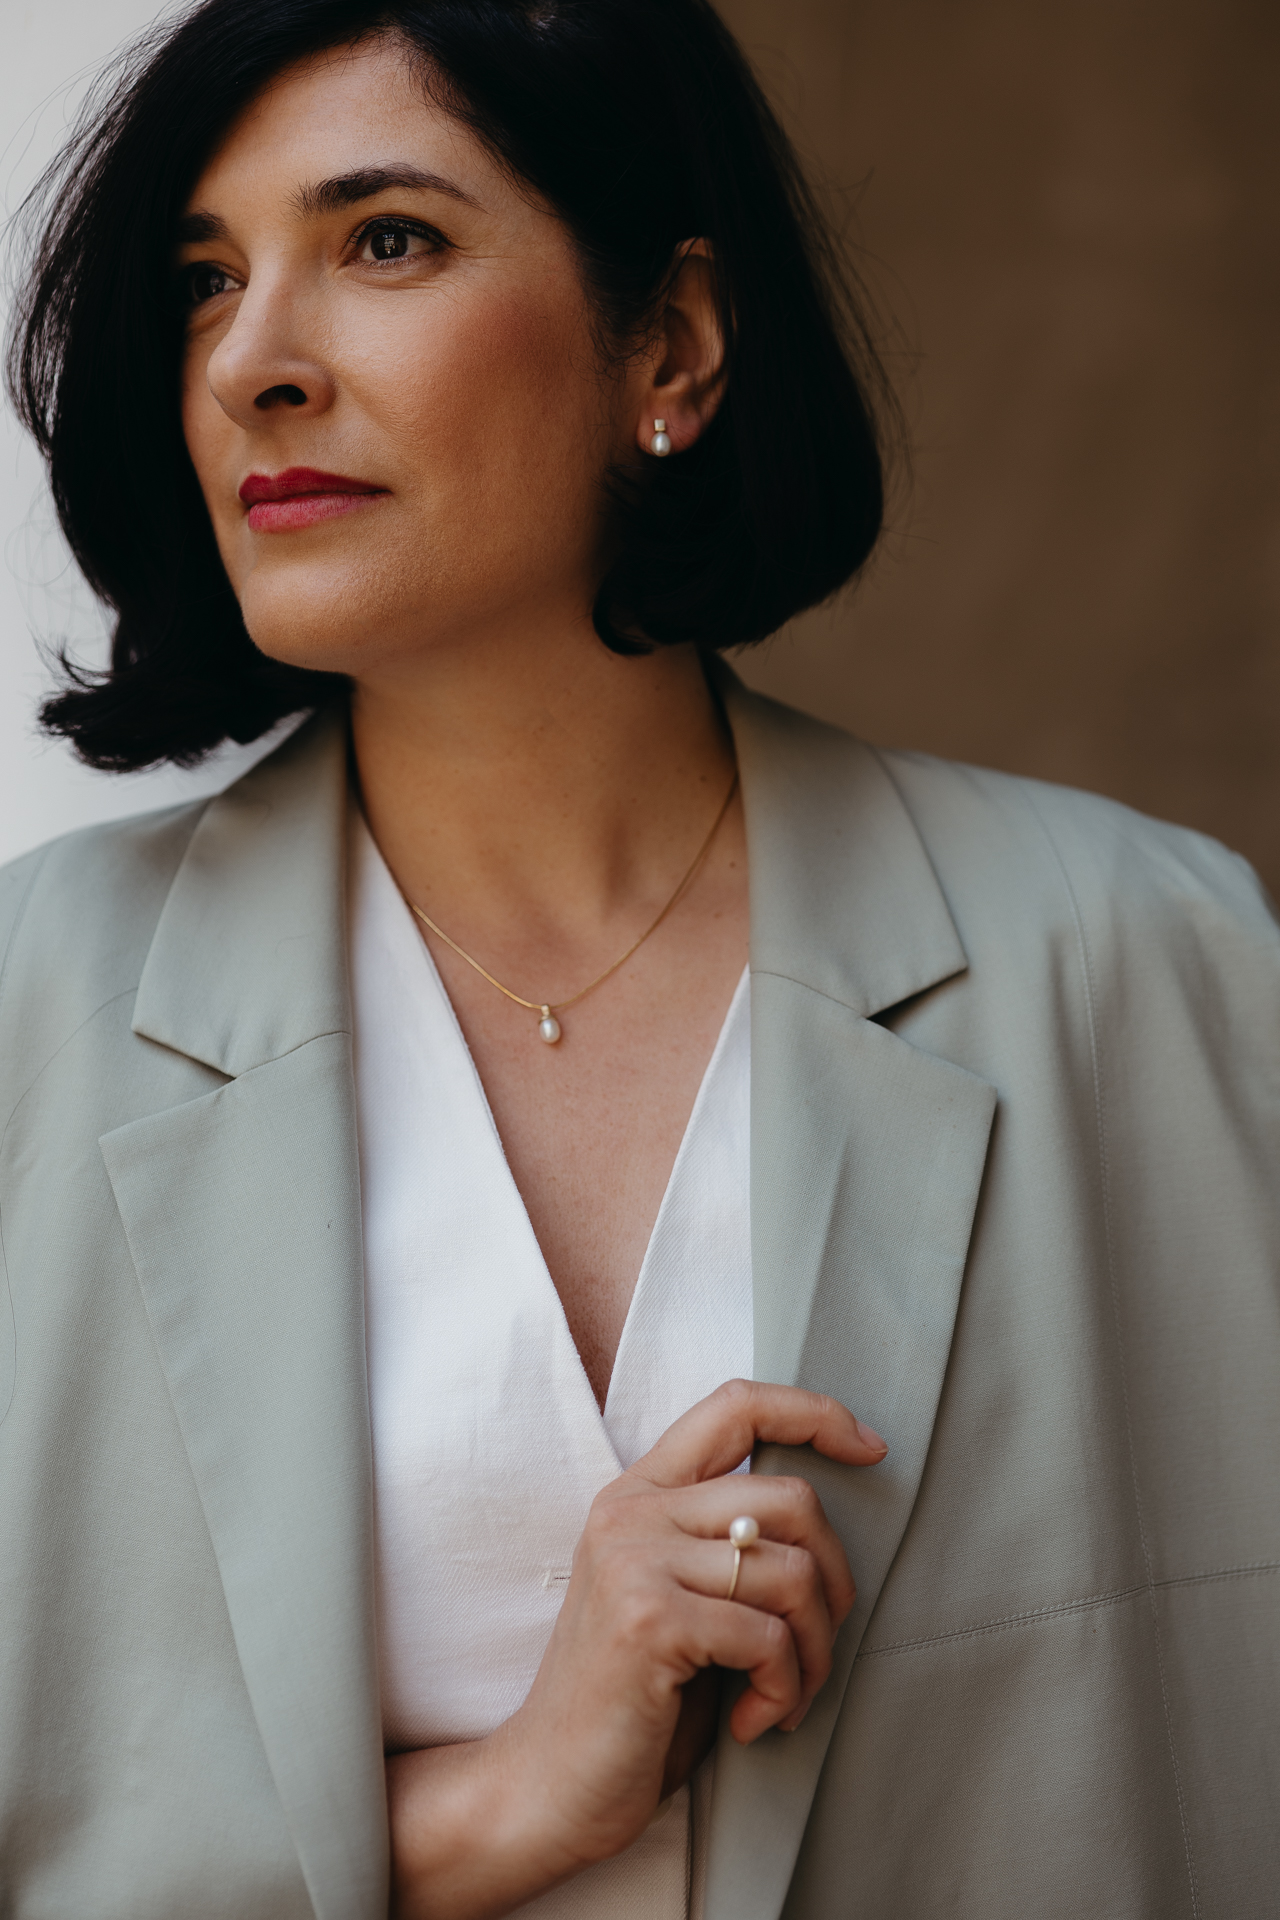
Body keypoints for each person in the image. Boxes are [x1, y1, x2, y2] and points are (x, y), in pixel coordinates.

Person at [1, 0, 1276, 1915]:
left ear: (669, 343)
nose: (251, 361)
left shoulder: (1159, 969)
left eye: (385, 240)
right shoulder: (27, 1019)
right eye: (204, 280)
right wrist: (501, 1803)